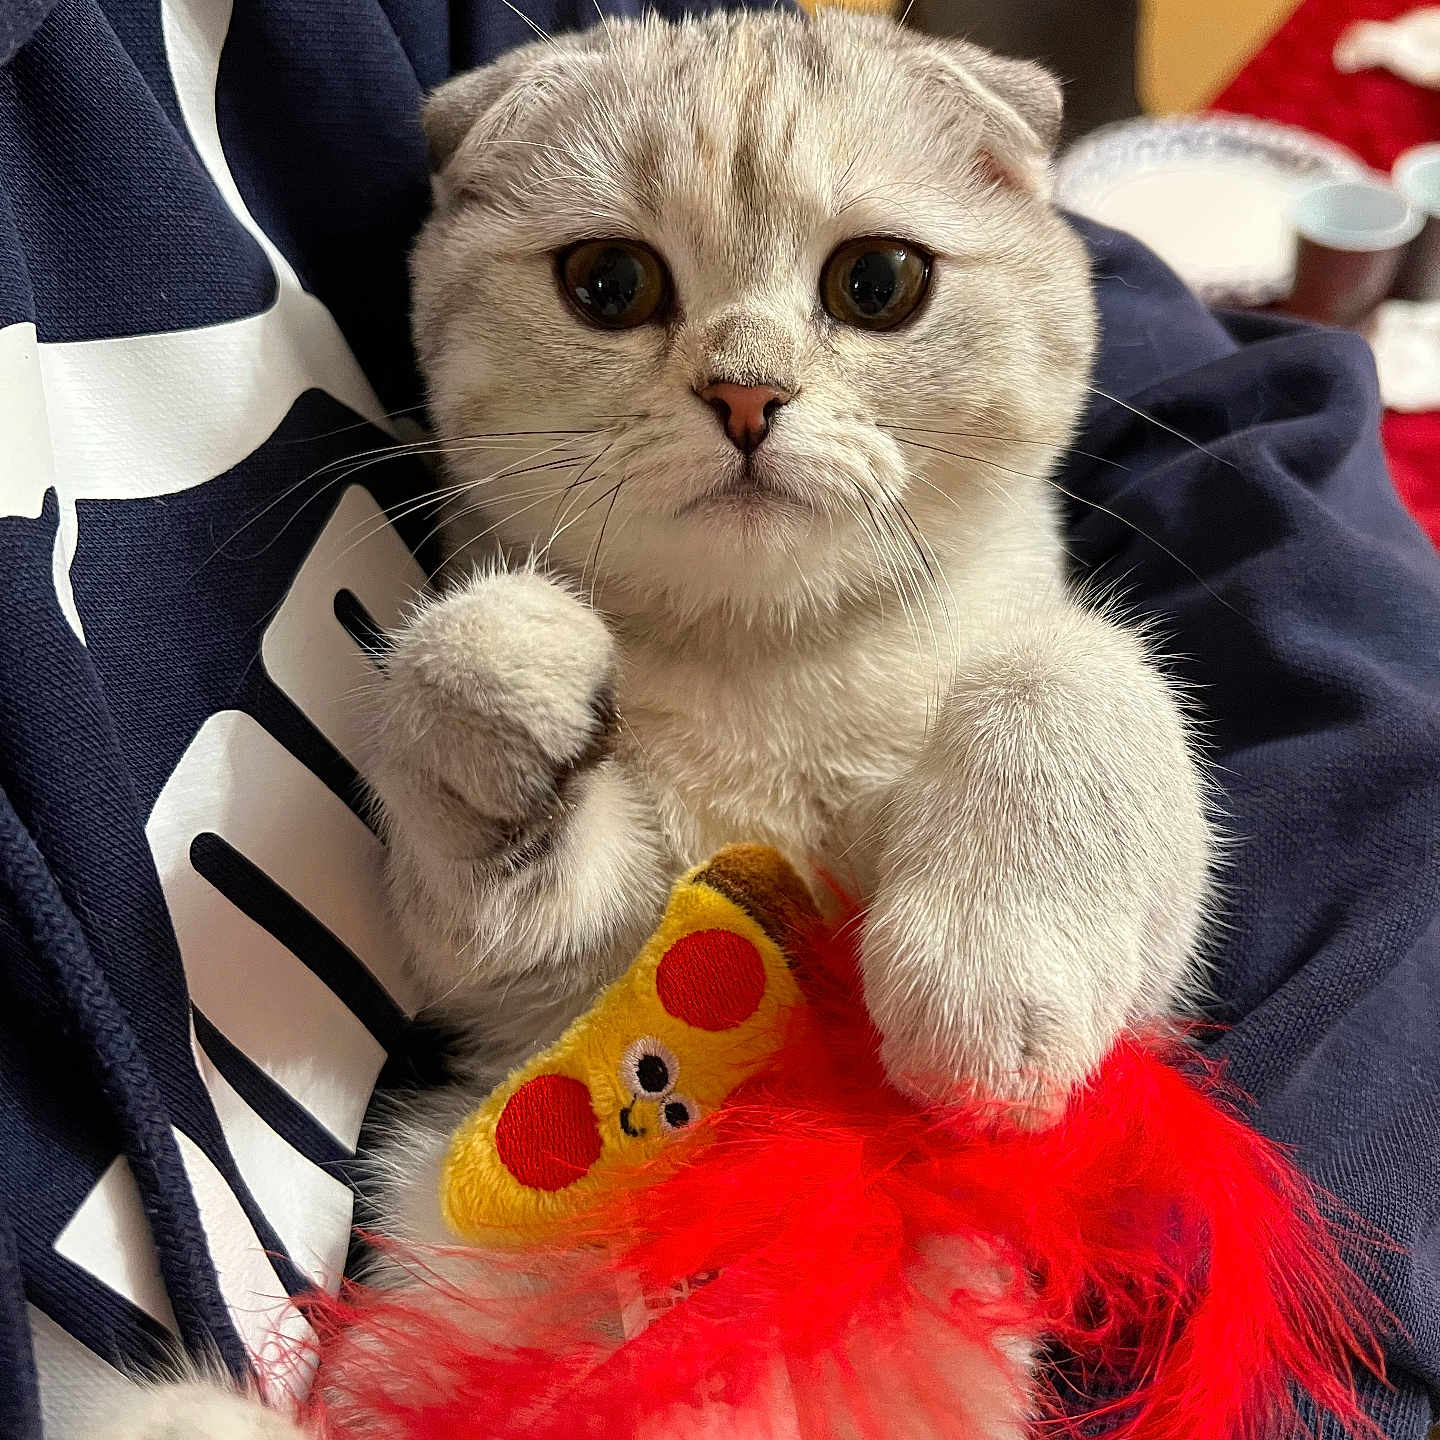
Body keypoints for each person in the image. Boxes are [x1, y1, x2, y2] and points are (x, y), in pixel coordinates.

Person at [1, 2, 1437, 1438]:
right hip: (499, 1318)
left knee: (1071, 690)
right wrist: (483, 763)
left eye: (873, 284)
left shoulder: (1010, 627)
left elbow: (1066, 1029)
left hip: (920, 1325)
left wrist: (1074, 733)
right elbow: (513, 963)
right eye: (615, 283)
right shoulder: (532, 610)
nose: (746, 382)